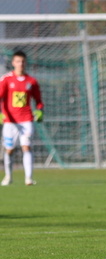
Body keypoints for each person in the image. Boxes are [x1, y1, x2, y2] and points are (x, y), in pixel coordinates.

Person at [0, 50, 44, 186]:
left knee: (27, 147)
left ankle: (28, 178)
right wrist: (1, 113)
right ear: (13, 63)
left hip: (26, 119)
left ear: (26, 63)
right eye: (18, 61)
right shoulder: (6, 79)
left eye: (23, 61)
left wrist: (40, 111)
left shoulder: (32, 81)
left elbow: (38, 100)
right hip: (9, 121)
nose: (21, 64)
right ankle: (8, 176)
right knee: (9, 149)